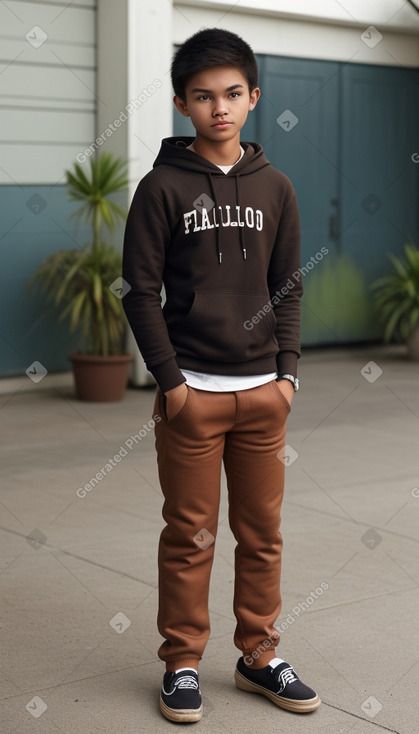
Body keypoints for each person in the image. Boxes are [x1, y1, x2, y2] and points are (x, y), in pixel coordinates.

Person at [122, 27, 320, 723]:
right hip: (192, 398)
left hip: (263, 394)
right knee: (189, 533)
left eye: (232, 94)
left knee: (261, 535)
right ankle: (180, 663)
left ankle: (258, 657)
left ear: (252, 97)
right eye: (203, 96)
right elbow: (139, 291)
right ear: (181, 104)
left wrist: (287, 375)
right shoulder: (160, 188)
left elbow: (288, 287)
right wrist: (172, 384)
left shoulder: (277, 187)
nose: (219, 109)